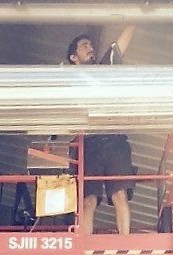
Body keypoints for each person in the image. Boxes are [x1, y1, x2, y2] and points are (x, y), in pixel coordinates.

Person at [67, 28, 136, 235]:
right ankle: (85, 248)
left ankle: (125, 246)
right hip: (88, 144)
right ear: (73, 57)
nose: (91, 48)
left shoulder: (104, 68)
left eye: (91, 45)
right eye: (84, 46)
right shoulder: (66, 81)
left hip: (115, 140)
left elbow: (120, 44)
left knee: (119, 195)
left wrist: (141, 12)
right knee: (88, 200)